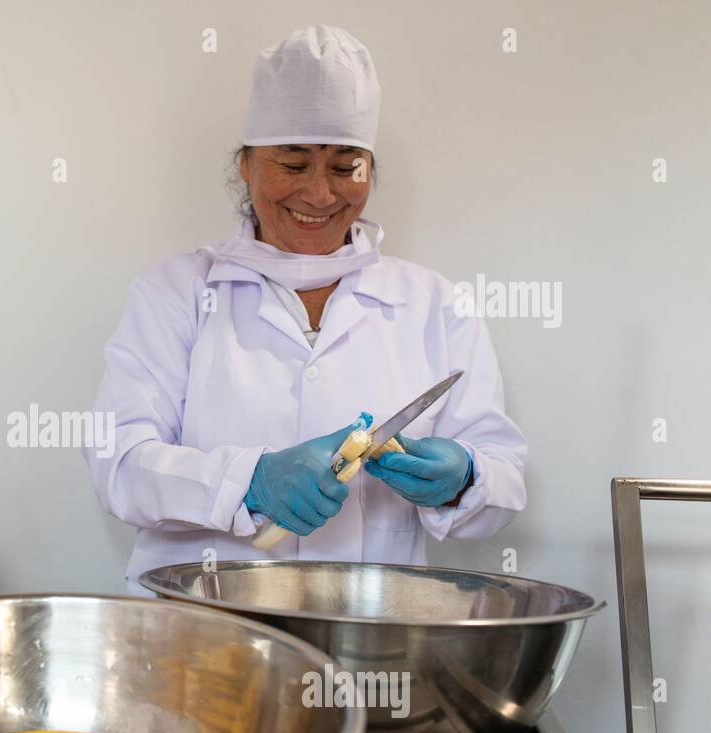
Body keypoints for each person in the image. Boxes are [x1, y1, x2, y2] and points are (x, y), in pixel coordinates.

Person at [85, 26, 526, 592]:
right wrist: (251, 481)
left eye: (346, 168)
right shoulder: (176, 292)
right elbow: (117, 462)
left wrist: (466, 478)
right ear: (246, 164)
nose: (320, 194)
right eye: (293, 165)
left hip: (366, 635)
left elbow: (505, 477)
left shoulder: (436, 304)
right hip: (197, 630)